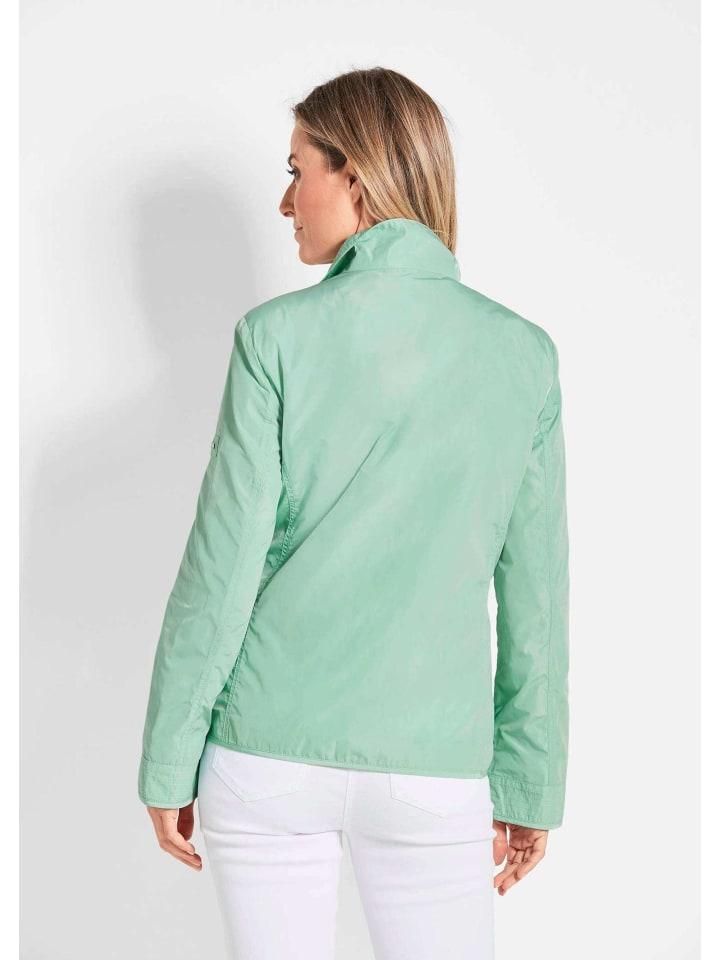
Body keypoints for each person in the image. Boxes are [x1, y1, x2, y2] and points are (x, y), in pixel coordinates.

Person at [138, 66, 570, 960]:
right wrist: (530, 784)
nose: (285, 201)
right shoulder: (522, 355)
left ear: (358, 176)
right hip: (432, 768)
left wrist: (169, 758)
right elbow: (536, 599)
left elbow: (221, 571)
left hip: (265, 756)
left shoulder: (275, 338)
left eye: (297, 170)